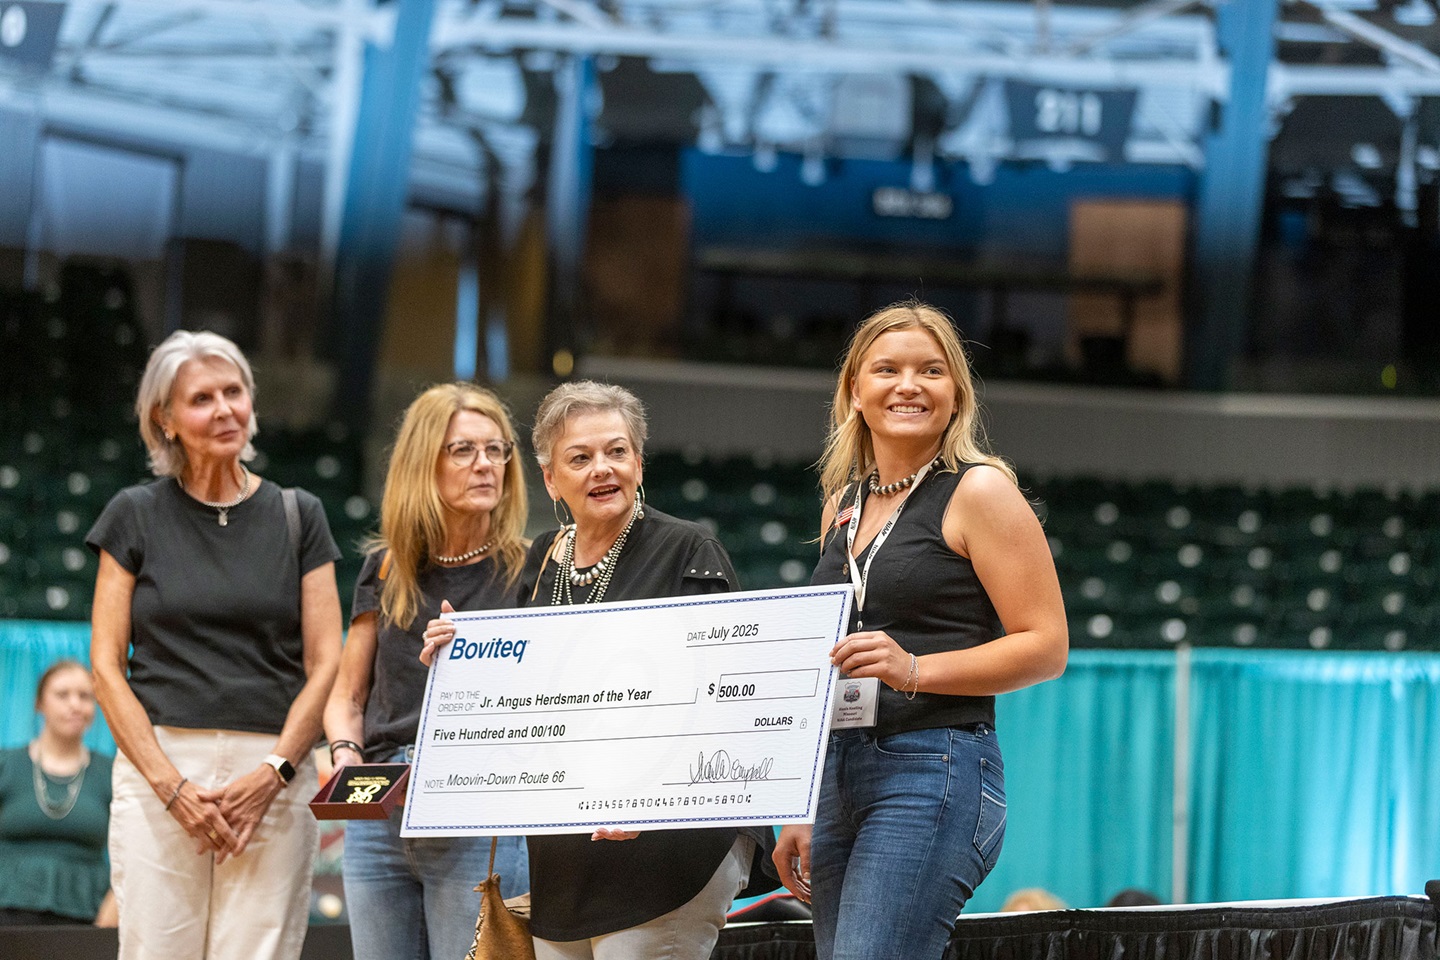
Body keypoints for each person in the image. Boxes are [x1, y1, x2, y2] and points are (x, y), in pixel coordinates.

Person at [421, 380, 776, 960]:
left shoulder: (688, 551)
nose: (601, 470)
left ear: (639, 461)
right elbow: (526, 692)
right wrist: (460, 654)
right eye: (579, 458)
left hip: (666, 854)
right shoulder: (541, 561)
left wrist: (654, 798)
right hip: (567, 860)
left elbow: (725, 702)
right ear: (549, 478)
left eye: (616, 452)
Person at [773, 300, 1068, 960]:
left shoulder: (981, 491)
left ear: (956, 393)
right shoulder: (841, 506)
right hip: (839, 773)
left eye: (930, 370)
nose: (908, 385)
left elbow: (1047, 646)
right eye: (887, 369)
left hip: (933, 765)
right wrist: (800, 802)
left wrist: (915, 669)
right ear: (854, 390)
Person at [87, 330, 343, 960]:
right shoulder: (134, 513)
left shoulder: (299, 513)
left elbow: (326, 661)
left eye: (235, 392)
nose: (225, 409)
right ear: (165, 420)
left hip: (274, 775)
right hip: (161, 769)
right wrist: (169, 785)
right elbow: (105, 666)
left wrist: (276, 771)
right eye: (202, 398)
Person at [324, 383, 531, 960]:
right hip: (380, 811)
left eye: (497, 450)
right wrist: (347, 759)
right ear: (423, 462)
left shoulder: (533, 568)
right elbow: (347, 695)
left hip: (477, 806)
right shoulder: (384, 566)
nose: (486, 465)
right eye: (463, 450)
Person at [0, 661, 116, 926]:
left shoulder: (111, 774)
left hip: (88, 917)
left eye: (85, 696)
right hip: (7, 912)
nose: (75, 705)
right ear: (39, 704)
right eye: (62, 695)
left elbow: (131, 852)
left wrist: (113, 909)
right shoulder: (6, 765)